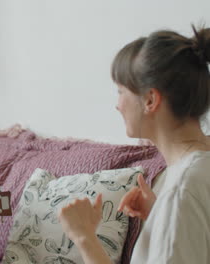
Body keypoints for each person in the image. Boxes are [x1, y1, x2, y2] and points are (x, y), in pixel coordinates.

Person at [58, 26, 210, 263]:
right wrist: (159, 216)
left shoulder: (183, 190)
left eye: (120, 91)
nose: (117, 105)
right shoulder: (195, 175)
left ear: (150, 99)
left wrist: (83, 237)